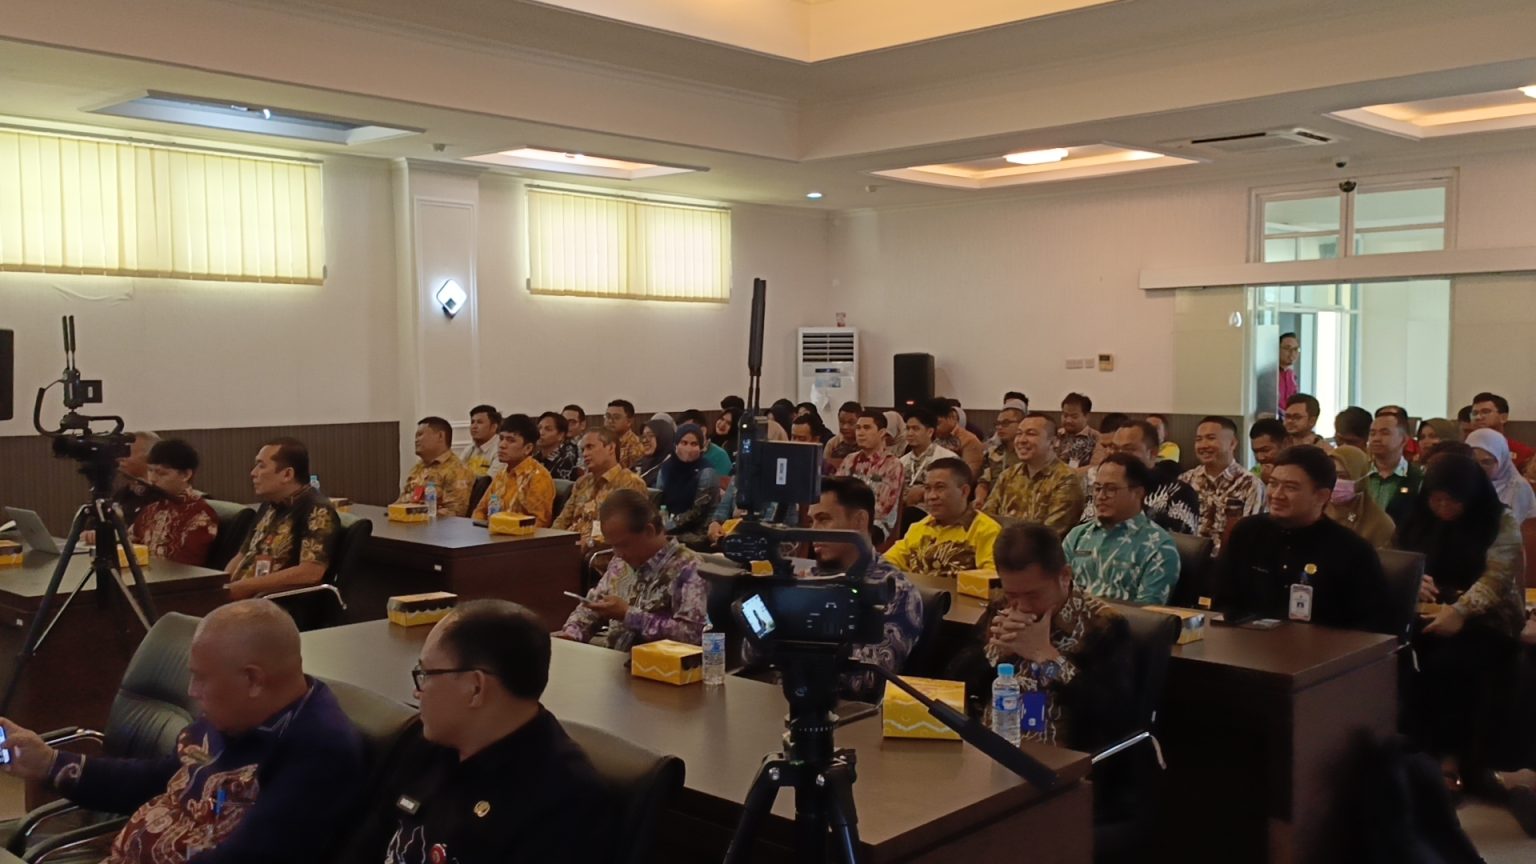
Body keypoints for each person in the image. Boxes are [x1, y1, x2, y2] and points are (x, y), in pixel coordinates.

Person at [2, 600, 365, 863]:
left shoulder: (318, 752)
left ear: (253, 679)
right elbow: (158, 778)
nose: (191, 691)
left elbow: (246, 859)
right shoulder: (237, 714)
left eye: (200, 678)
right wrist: (50, 763)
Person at [342, 599, 602, 864]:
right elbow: (363, 847)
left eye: (426, 674)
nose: (417, 692)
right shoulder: (424, 743)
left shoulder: (565, 800)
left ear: (475, 688)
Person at [946, 522, 1136, 756]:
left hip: (1063, 759)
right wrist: (995, 652)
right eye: (1012, 594)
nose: (1023, 606)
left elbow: (1114, 715)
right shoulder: (1001, 608)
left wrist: (1047, 658)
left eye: (1033, 595)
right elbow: (953, 682)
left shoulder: (1102, 624)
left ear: (1064, 576)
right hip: (990, 747)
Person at [1397, 454, 1526, 798]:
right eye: (1436, 499)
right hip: (1427, 611)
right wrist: (1414, 578)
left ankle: (1452, 759)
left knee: (1449, 665)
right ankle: (1414, 755)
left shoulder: (1498, 520)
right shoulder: (1419, 517)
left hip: (1487, 619)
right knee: (1396, 660)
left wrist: (1459, 611)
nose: (1443, 507)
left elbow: (1497, 579)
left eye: (1452, 500)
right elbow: (1397, 558)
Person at [742, 477, 925, 702]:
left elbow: (867, 680)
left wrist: (792, 642)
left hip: (846, 712)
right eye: (811, 521)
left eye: (824, 519)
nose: (814, 531)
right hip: (778, 701)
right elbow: (750, 655)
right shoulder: (804, 579)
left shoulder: (894, 591)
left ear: (859, 521)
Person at [1215, 446, 1388, 632]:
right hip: (1248, 642)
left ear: (1321, 496)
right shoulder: (1247, 533)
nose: (1277, 495)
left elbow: (1369, 626)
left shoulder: (1351, 551)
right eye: (1273, 484)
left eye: (1290, 487)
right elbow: (1222, 600)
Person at [558, 490, 707, 650]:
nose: (618, 553)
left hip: (658, 662)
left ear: (649, 531)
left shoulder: (688, 566)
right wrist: (571, 634)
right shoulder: (621, 564)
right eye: (613, 546)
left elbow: (691, 635)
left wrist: (629, 615)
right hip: (615, 659)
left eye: (623, 545)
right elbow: (592, 608)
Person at [227, 438, 341, 600]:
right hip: (244, 594)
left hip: (277, 601)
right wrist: (220, 586)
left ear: (287, 474)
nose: (253, 473)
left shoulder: (317, 510)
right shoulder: (269, 504)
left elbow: (311, 572)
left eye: (261, 466)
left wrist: (245, 587)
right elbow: (243, 554)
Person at [1063, 454, 1181, 605]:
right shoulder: (1078, 535)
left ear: (1138, 493)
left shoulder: (1159, 547)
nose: (1101, 496)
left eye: (1111, 489)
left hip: (1124, 619)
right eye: (1097, 488)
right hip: (1071, 618)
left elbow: (1149, 613)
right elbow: (1055, 590)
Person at [886, 458, 1002, 577]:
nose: (931, 496)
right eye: (927, 488)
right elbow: (886, 563)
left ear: (964, 491)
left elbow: (991, 577)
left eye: (940, 487)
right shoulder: (919, 528)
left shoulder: (986, 531)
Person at [982, 413, 1085, 537]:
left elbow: (1049, 535)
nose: (1022, 440)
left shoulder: (1066, 480)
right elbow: (986, 520)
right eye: (1019, 434)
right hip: (999, 545)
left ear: (1053, 442)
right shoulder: (1008, 475)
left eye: (1031, 434)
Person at [127, 438, 219, 566]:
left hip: (176, 577)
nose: (152, 479)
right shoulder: (151, 510)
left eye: (161, 473)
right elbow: (129, 546)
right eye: (150, 470)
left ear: (185, 475)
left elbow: (186, 566)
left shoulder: (200, 515)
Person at [552, 428, 649, 549]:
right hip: (569, 547)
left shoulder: (630, 482)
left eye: (590, 447)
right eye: (583, 449)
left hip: (601, 552)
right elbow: (562, 521)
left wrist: (589, 543)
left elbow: (628, 530)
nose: (585, 454)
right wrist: (550, 540)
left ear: (611, 448)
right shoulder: (582, 482)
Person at [1180, 417, 1265, 553]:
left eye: (1211, 438)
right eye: (1198, 439)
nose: (1203, 445)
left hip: (1230, 559)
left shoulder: (1250, 484)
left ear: (1232, 443)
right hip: (1187, 557)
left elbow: (1251, 534)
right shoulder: (1186, 480)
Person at [1103, 420, 1200, 536]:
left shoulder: (1178, 492)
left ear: (1153, 453)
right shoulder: (1102, 488)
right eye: (1115, 448)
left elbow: (1178, 541)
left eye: (1128, 449)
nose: (1119, 455)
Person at [471, 414, 557, 526]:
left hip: (517, 536)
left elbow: (539, 523)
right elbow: (480, 511)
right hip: (491, 533)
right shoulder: (502, 474)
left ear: (528, 448)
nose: (502, 445)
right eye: (501, 439)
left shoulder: (538, 477)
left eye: (511, 440)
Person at [836, 409, 906, 538]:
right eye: (858, 428)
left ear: (882, 432)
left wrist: (853, 518)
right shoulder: (850, 459)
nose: (860, 433)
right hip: (846, 519)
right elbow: (837, 492)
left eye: (867, 428)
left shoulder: (893, 464)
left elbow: (884, 507)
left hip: (876, 523)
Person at [397, 416, 475, 517]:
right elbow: (400, 502)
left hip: (433, 525)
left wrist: (417, 514)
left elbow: (455, 513)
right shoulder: (418, 468)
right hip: (405, 521)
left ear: (440, 436)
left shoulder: (457, 470)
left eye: (420, 435)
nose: (416, 440)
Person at [658, 424, 720, 549]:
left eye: (694, 444)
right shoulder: (666, 468)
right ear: (676, 444)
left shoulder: (706, 472)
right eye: (684, 442)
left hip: (698, 533)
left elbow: (697, 513)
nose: (688, 448)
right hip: (669, 529)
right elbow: (658, 499)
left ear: (701, 447)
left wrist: (667, 527)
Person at [1326, 445, 1396, 549]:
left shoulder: (1380, 524)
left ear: (1361, 480)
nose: (1335, 481)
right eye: (1331, 474)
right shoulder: (1314, 509)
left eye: (1343, 476)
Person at [1366, 411, 1423, 525]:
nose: (1376, 438)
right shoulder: (1359, 473)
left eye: (1385, 433)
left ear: (1404, 440)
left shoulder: (1418, 478)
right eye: (1372, 433)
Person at [899, 407, 959, 511]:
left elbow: (954, 490)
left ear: (930, 432)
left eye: (915, 429)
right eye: (907, 429)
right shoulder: (901, 462)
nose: (910, 433)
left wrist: (923, 491)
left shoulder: (947, 459)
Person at [975, 399, 1027, 507]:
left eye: (1006, 423)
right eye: (997, 424)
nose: (999, 427)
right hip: (992, 504)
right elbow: (984, 482)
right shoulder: (993, 452)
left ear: (1021, 424)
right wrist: (980, 498)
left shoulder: (1028, 453)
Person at [1471, 392, 1535, 473]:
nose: (1478, 417)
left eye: (1485, 412)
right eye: (1474, 413)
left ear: (1503, 418)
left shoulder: (1523, 453)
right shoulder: (1464, 451)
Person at [112, 430, 162, 526]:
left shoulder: (164, 499)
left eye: (127, 452)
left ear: (150, 457)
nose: (120, 458)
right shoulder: (120, 496)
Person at [932, 399, 985, 476]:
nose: (934, 429)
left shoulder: (969, 440)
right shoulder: (933, 438)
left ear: (951, 417)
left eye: (937, 424)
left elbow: (970, 475)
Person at [679, 409, 734, 476]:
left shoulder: (719, 456)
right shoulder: (677, 453)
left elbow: (723, 481)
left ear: (703, 431)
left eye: (687, 431)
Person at [534, 411, 582, 481]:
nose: (541, 432)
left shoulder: (567, 458)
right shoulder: (533, 458)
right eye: (539, 428)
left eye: (548, 429)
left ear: (560, 435)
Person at [1056, 393, 1098, 470]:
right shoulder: (1055, 435)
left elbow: (1095, 467)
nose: (1068, 420)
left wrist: (1068, 473)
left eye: (1074, 417)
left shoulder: (1096, 438)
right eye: (1065, 415)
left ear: (1087, 416)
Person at [460, 404, 503, 477]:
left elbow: (491, 480)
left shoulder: (502, 449)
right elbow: (456, 473)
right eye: (472, 422)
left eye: (479, 422)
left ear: (493, 427)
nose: (474, 426)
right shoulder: (470, 448)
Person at [823, 400, 863, 473]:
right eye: (842, 422)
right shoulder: (832, 444)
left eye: (851, 423)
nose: (845, 427)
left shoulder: (865, 443)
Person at [635, 417, 676, 487]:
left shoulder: (671, 469)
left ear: (664, 437)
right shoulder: (640, 463)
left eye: (651, 435)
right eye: (643, 436)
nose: (644, 440)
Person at [1248, 418, 1288, 487]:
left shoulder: (1300, 470)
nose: (1260, 457)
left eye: (1265, 450)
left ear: (1285, 444)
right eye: (1255, 452)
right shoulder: (1254, 472)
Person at [605, 399, 645, 470]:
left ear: (629, 421)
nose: (610, 421)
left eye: (616, 417)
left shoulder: (636, 447)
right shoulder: (601, 442)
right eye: (608, 416)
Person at [1277, 331, 1300, 415]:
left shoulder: (1292, 375)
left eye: (1295, 349)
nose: (1292, 353)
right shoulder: (1270, 374)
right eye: (1287, 348)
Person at [562, 404, 589, 471]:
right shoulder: (555, 443)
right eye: (564, 422)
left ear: (582, 425)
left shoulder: (586, 444)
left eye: (572, 422)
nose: (567, 426)